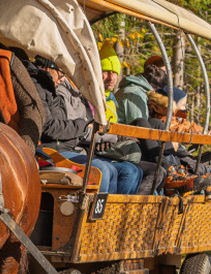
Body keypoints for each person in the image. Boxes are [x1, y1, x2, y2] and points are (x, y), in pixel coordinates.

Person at [26, 55, 141, 194]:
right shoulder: (42, 86)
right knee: (102, 169)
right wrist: (84, 126)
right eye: (61, 72)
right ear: (47, 67)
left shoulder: (53, 87)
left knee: (130, 171)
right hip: (51, 150)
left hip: (73, 147)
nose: (63, 78)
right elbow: (50, 127)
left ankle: (111, 214)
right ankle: (90, 214)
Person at [114, 54, 167, 124]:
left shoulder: (139, 91)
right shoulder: (135, 94)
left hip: (125, 132)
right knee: (147, 123)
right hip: (118, 133)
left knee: (156, 123)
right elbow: (139, 127)